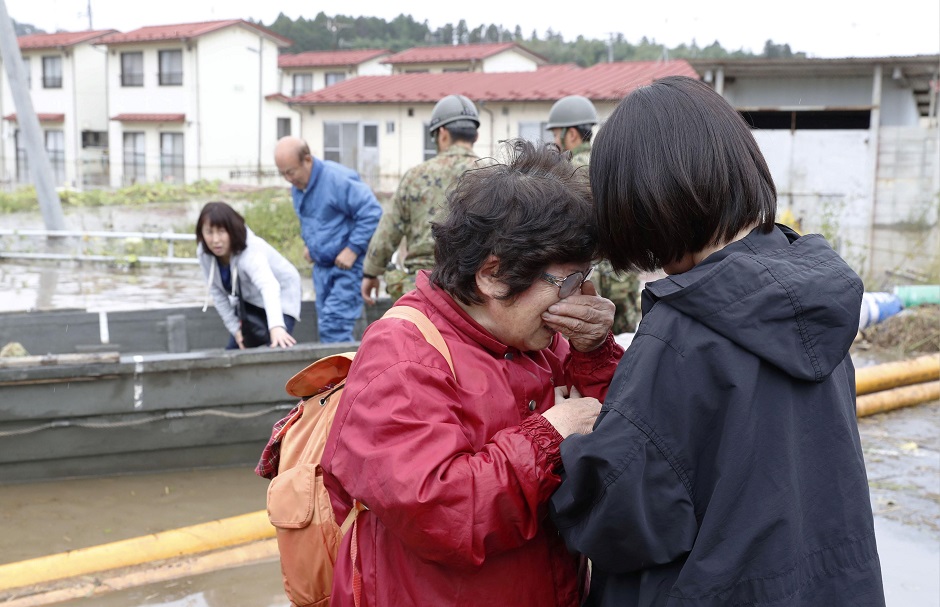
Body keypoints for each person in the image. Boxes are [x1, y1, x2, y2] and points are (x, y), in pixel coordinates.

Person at [550, 76, 886, 606]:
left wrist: (569, 442)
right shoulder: (815, 302)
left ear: (643, 202)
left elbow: (619, 521)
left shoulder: (685, 332)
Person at [321, 140, 625, 606]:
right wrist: (547, 437)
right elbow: (443, 515)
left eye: (584, 279)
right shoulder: (402, 356)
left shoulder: (540, 340)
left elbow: (627, 443)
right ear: (493, 274)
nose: (577, 298)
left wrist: (595, 352)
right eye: (565, 282)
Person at [361, 94, 481, 304]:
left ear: (442, 134)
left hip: (424, 288)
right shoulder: (495, 177)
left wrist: (371, 273)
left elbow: (388, 231)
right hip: (475, 289)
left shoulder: (415, 176)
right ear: (475, 136)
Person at [274, 136, 383, 343]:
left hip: (346, 269)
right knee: (326, 326)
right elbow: (313, 219)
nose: (288, 179)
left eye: (290, 171)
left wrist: (353, 248)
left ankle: (349, 375)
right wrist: (310, 245)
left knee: (334, 328)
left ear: (307, 159)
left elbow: (372, 212)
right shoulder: (299, 187)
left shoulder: (337, 179)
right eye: (283, 174)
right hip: (321, 269)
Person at [547, 94, 641, 334]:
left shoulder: (563, 172)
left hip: (587, 277)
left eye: (556, 134)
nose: (555, 141)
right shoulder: (611, 164)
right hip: (624, 272)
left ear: (572, 134)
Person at [196, 201, 301, 349]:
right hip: (248, 300)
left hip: (281, 295)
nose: (215, 240)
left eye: (221, 231)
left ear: (231, 231)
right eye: (209, 232)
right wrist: (236, 330)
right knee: (235, 351)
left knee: (277, 346)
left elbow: (269, 286)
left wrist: (276, 326)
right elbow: (217, 293)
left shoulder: (250, 251)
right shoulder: (204, 253)